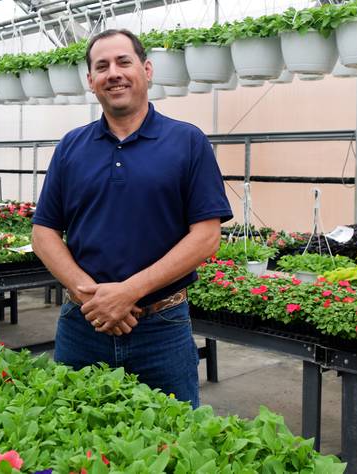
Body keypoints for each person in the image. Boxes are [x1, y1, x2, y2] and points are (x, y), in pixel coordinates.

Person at [31, 29, 232, 408]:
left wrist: (128, 292)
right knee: (73, 440)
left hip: (162, 329)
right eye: (102, 66)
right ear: (91, 81)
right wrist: (89, 295)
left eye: (124, 61)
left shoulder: (187, 141)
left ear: (147, 69)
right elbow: (44, 233)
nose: (114, 73)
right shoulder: (71, 146)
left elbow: (206, 236)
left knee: (172, 444)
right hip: (82, 326)